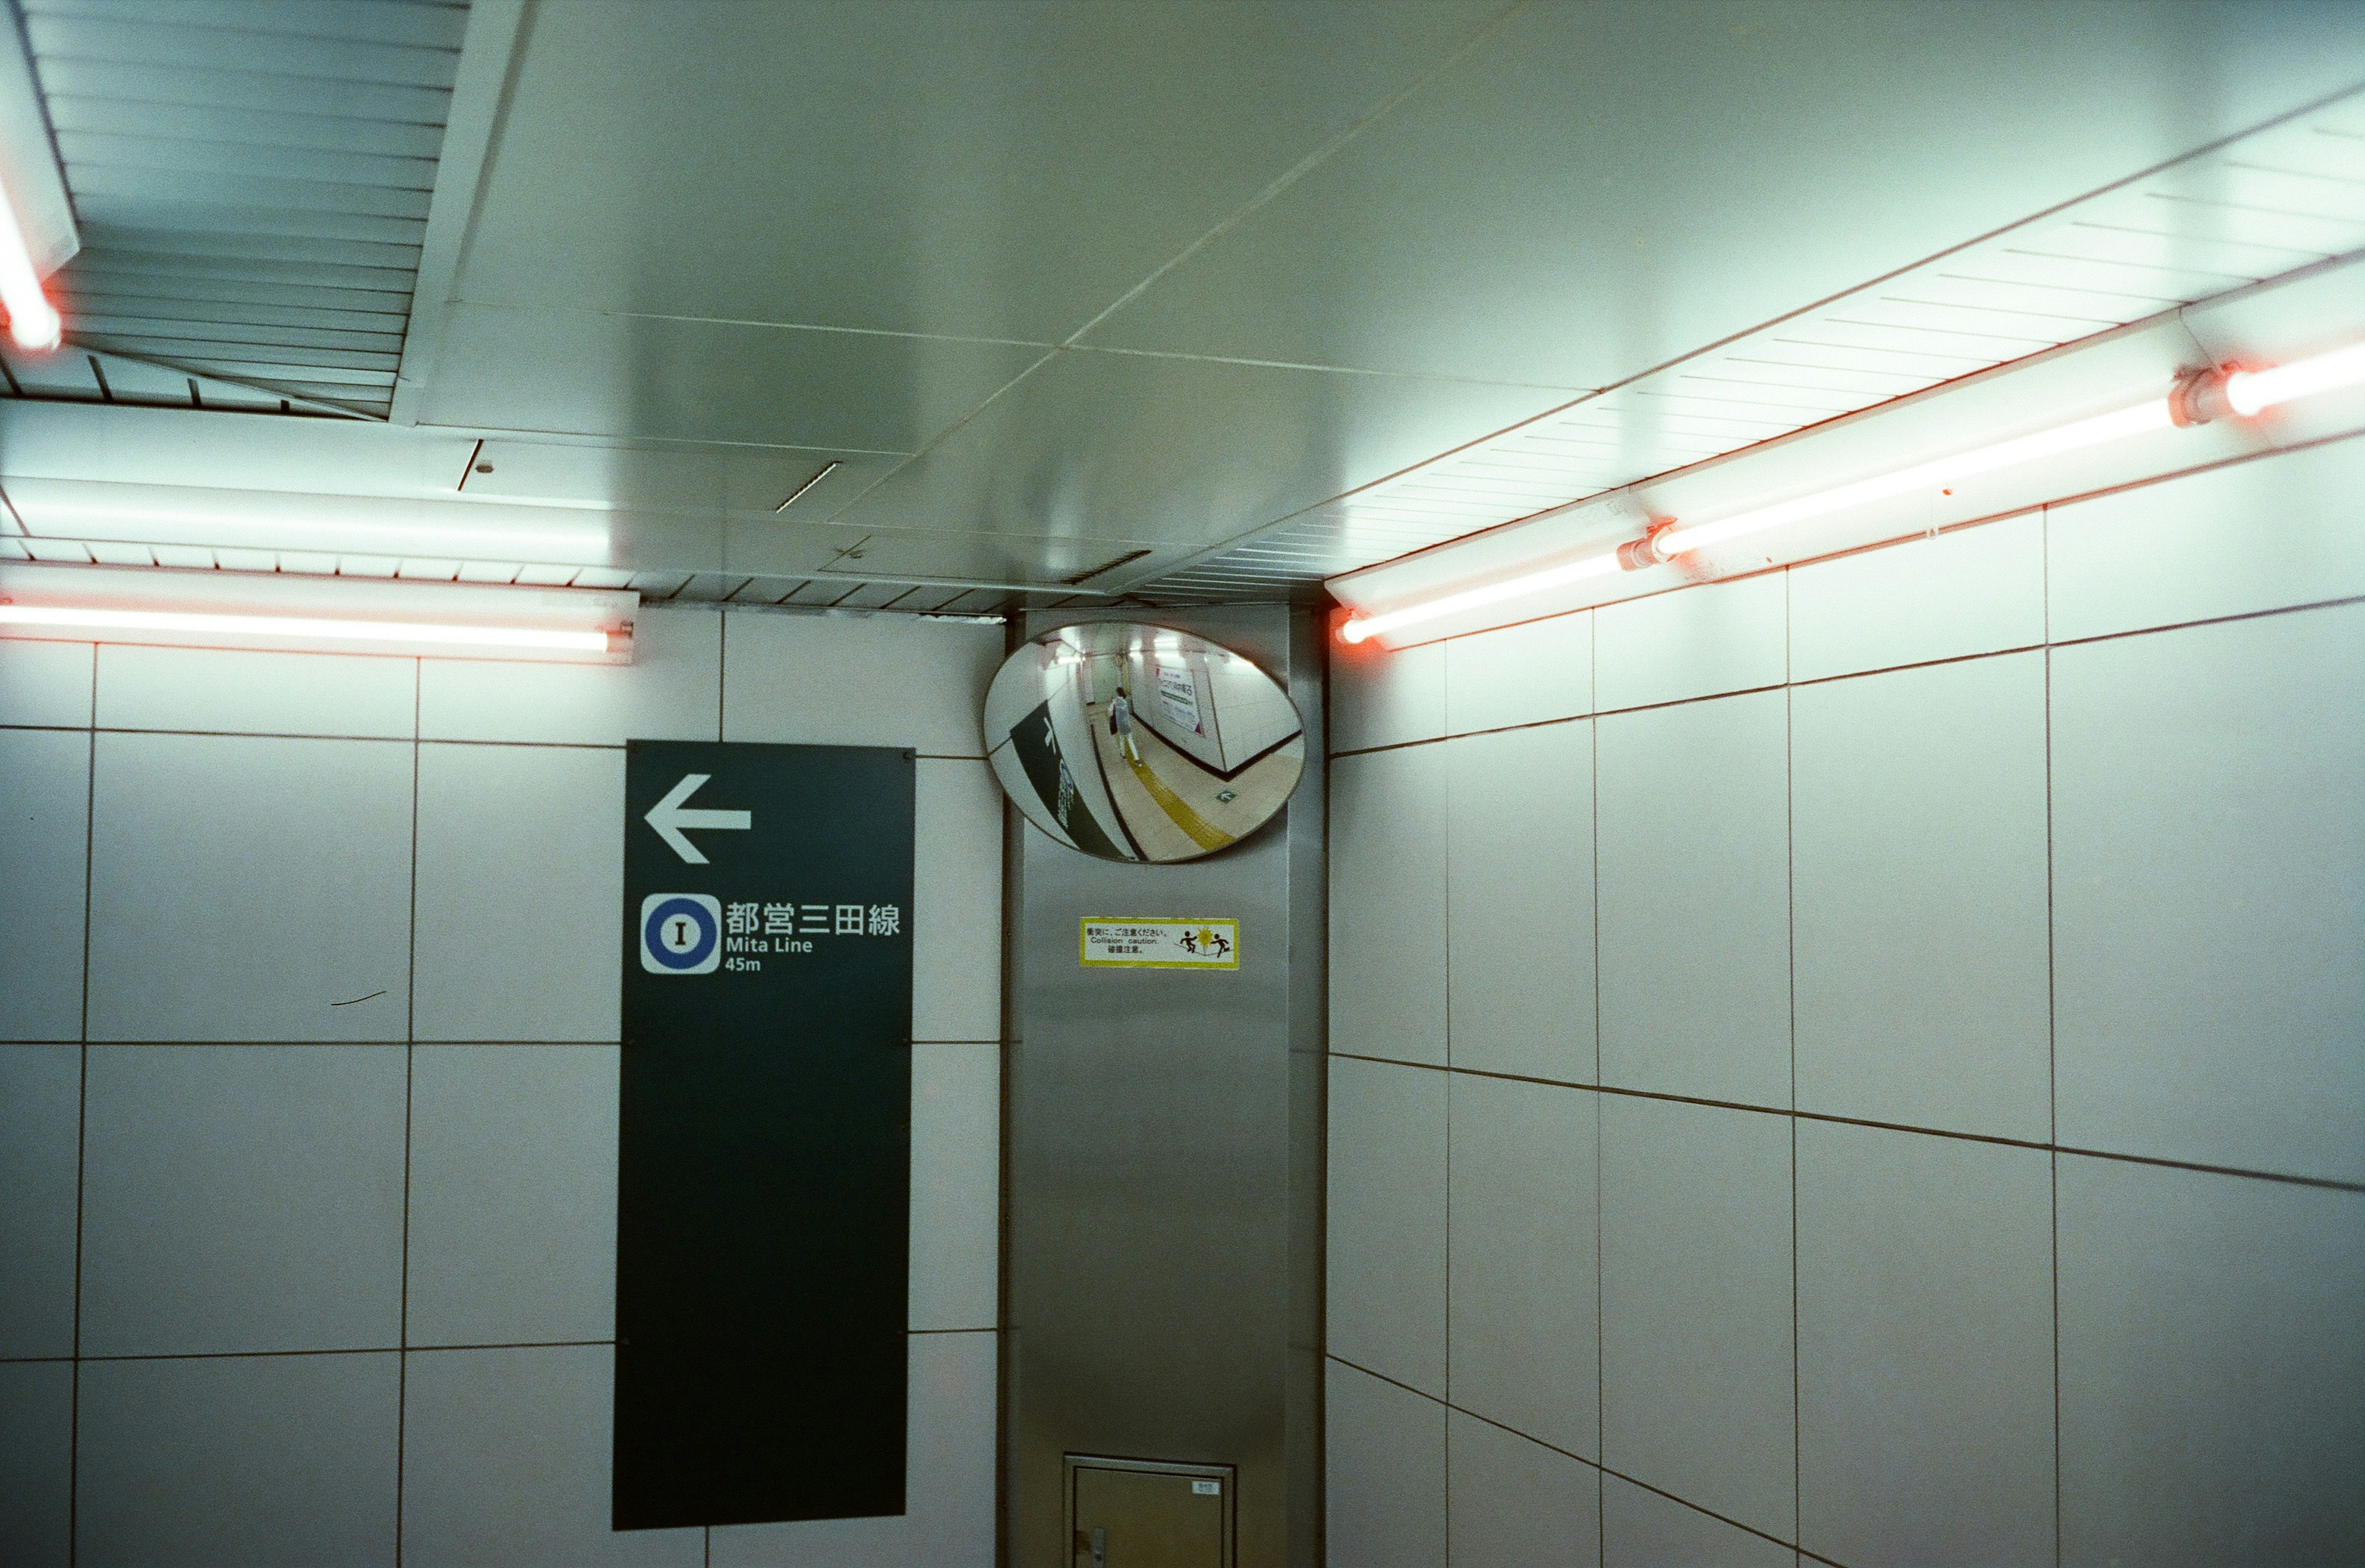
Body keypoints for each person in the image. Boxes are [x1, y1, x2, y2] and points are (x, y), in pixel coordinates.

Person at [1107, 685, 1141, 764]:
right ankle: (1137, 759)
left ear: (1117, 693)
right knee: (1130, 741)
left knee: (1122, 740)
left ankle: (1123, 754)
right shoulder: (1125, 701)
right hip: (1127, 725)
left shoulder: (1115, 702)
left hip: (1120, 726)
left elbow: (1110, 712)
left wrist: (1113, 703)